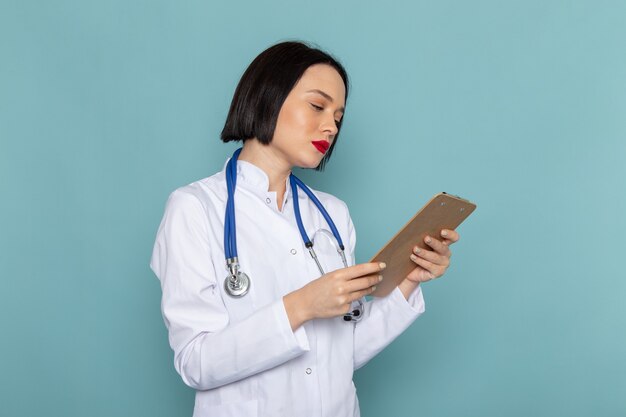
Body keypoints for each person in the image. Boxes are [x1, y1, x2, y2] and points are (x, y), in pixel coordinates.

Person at [150, 41, 459, 417]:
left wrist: (410, 278)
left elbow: (341, 352)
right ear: (268, 97)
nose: (330, 126)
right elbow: (196, 363)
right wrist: (301, 306)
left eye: (338, 117)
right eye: (317, 106)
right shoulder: (195, 208)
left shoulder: (332, 214)